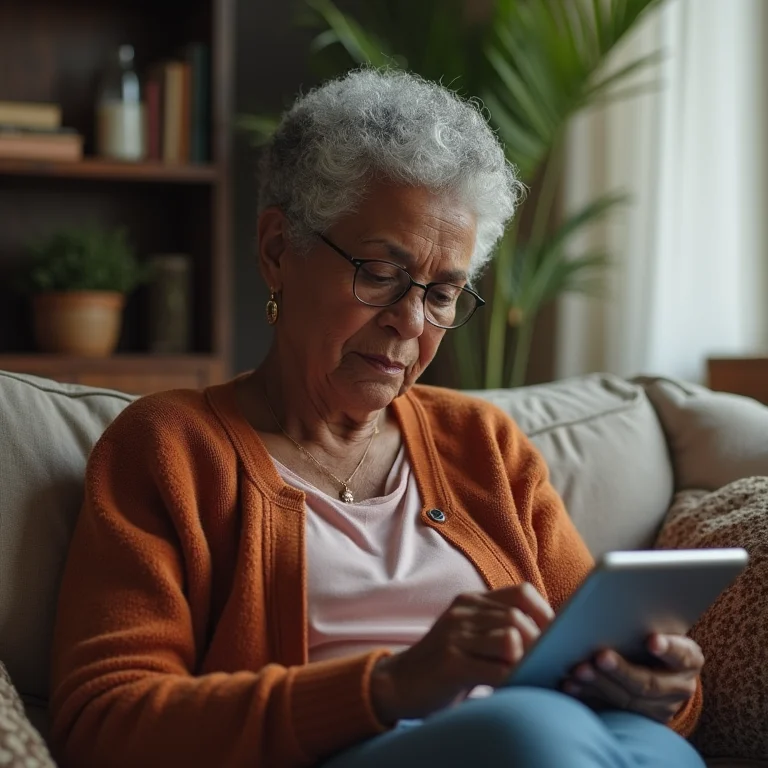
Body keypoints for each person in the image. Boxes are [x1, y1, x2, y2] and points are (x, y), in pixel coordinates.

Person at [49, 68, 705, 768]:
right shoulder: (169, 449)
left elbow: (608, 658)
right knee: (531, 734)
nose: (409, 322)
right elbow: (105, 722)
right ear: (278, 251)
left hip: (540, 741)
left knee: (647, 748)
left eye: (443, 292)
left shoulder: (482, 444)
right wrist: (391, 686)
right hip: (386, 750)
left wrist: (656, 688)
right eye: (380, 273)